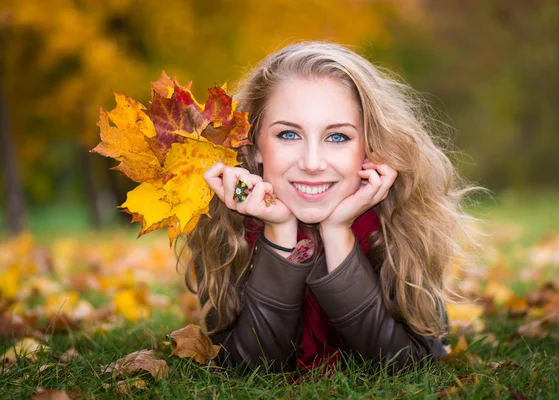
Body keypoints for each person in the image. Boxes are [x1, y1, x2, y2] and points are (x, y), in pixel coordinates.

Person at [184, 42, 480, 372]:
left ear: (369, 146)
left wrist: (338, 233)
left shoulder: (403, 218)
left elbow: (406, 364)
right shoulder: (225, 222)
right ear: (254, 148)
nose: (312, 163)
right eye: (288, 135)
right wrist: (279, 231)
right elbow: (246, 367)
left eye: (337, 137)